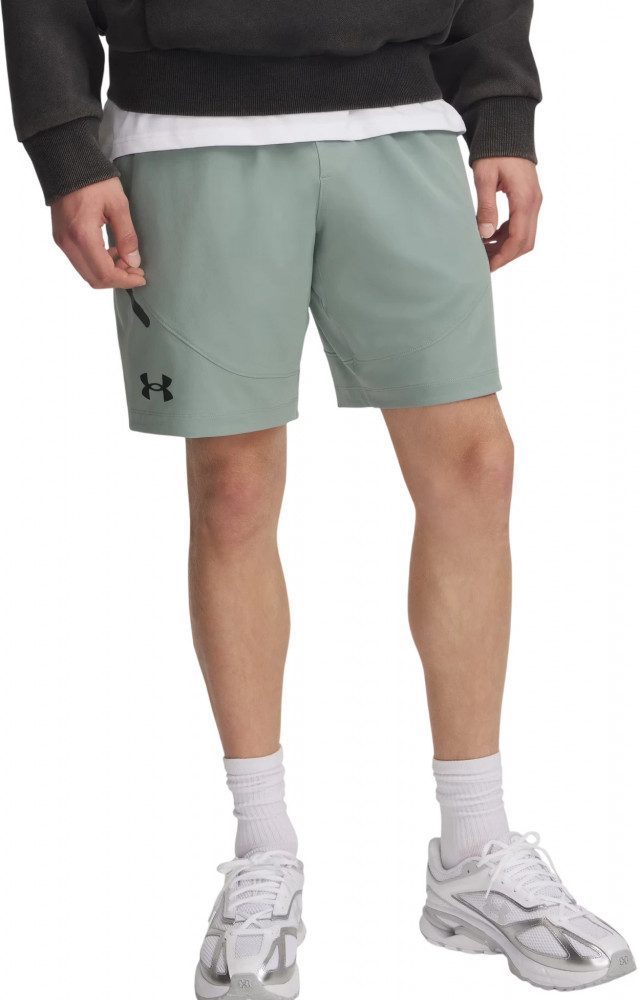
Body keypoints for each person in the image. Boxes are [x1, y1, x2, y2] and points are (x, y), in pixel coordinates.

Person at [1, 2, 634, 996]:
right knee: (235, 489)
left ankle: (473, 847)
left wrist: (501, 107)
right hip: (187, 126)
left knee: (475, 467)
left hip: (403, 115)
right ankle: (262, 851)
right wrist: (65, 144)